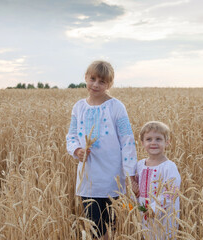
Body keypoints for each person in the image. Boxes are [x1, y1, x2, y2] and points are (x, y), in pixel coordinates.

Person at [66, 60, 138, 239]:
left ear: (109, 84)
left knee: (112, 227)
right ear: (85, 78)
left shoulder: (116, 107)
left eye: (102, 81)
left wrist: (130, 174)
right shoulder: (79, 107)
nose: (96, 84)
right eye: (92, 79)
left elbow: (128, 141)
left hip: (114, 180)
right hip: (88, 181)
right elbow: (71, 136)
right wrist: (76, 151)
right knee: (96, 228)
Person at [136, 121, 181, 239]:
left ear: (167, 142)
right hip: (143, 215)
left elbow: (172, 191)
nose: (153, 143)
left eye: (158, 139)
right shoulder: (140, 165)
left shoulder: (169, 167)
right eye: (149, 139)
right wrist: (131, 207)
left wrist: (155, 208)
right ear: (142, 143)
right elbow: (134, 189)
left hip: (164, 217)